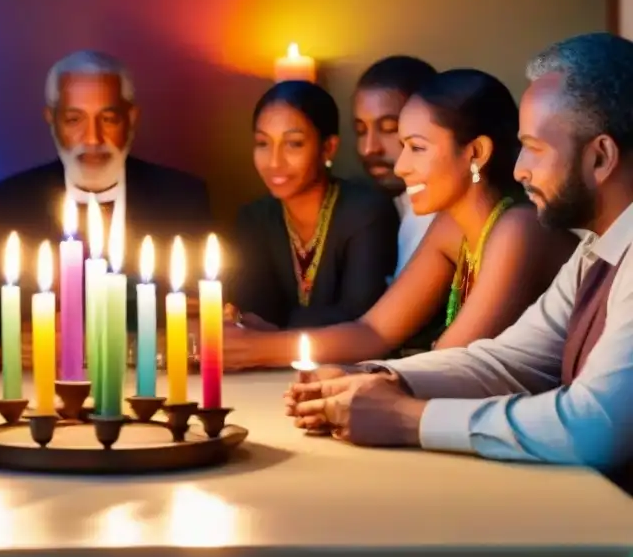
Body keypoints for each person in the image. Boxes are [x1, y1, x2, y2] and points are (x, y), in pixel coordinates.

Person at [288, 33, 633, 493]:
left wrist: (408, 418)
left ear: (601, 157)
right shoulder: (597, 248)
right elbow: (510, 361)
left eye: (535, 147)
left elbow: (592, 426)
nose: (518, 169)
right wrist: (375, 377)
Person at [224, 69, 577, 367]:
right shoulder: (450, 226)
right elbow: (373, 332)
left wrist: (354, 378)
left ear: (475, 152)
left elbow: (452, 363)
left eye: (418, 148)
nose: (401, 166)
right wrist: (261, 346)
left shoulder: (519, 229)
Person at [0, 49, 214, 336]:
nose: (92, 139)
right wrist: (13, 342)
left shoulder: (183, 199)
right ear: (51, 119)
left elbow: (204, 308)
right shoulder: (3, 205)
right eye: (74, 120)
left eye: (108, 119)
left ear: (132, 118)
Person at [226, 81, 398, 331]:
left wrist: (273, 324)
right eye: (263, 143)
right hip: (268, 363)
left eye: (293, 143)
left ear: (328, 148)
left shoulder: (366, 212)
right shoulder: (254, 220)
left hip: (349, 364)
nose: (274, 162)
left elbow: (360, 315)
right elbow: (252, 312)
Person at [353, 55, 438, 276]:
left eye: (389, 128)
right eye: (361, 130)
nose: (369, 148)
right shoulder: (366, 206)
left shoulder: (438, 217)